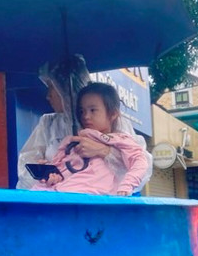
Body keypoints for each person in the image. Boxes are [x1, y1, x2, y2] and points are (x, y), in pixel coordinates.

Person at [16, 56, 152, 190]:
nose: (48, 96)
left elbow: (142, 167)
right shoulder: (48, 124)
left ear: (65, 88)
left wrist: (105, 152)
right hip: (58, 198)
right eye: (82, 111)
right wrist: (46, 174)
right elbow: (25, 171)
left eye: (52, 87)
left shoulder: (116, 122)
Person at [31, 82, 149, 196]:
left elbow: (140, 161)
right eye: (82, 111)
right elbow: (60, 168)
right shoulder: (71, 141)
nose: (86, 116)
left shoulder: (121, 140)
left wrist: (127, 184)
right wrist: (51, 174)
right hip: (64, 194)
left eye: (93, 110)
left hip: (93, 199)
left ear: (113, 114)